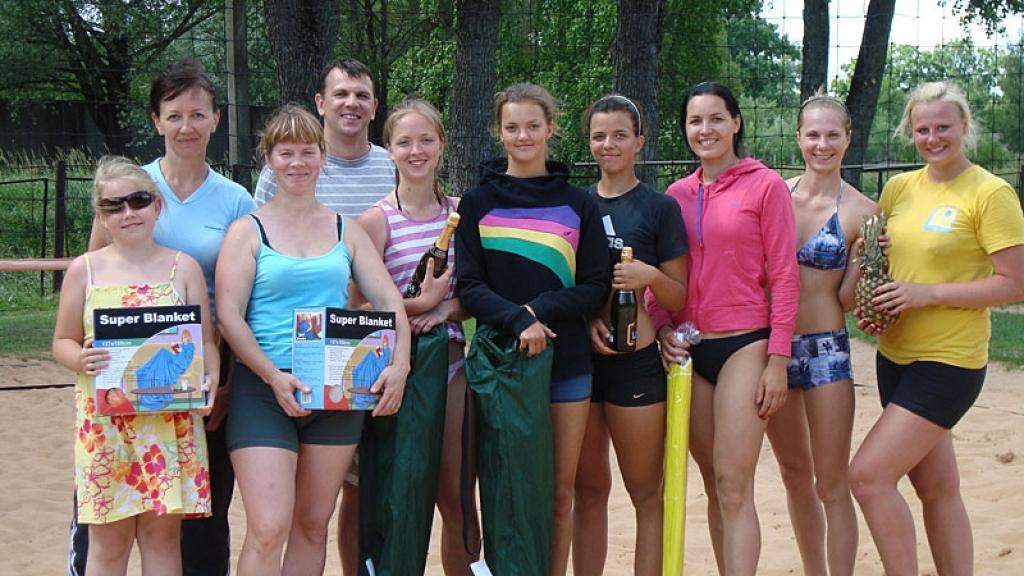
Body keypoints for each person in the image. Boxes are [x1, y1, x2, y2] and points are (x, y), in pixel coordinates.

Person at [75, 58, 255, 576]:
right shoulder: (129, 188)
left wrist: (219, 383)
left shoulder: (235, 200)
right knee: (104, 533)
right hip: (119, 387)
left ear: (216, 120)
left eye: (198, 115)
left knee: (198, 519)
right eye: (174, 115)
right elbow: (92, 279)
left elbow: (235, 300)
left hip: (195, 380)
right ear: (156, 120)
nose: (187, 127)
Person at [215, 104, 410, 575]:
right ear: (269, 159)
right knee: (267, 527)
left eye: (307, 152)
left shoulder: (348, 229)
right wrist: (271, 376)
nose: (297, 162)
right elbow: (229, 315)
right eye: (286, 153)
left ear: (322, 157)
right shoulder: (248, 231)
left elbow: (389, 301)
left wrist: (399, 365)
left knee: (312, 524)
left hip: (335, 391)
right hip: (264, 388)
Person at [850, 81, 1024, 576]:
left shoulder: (991, 193)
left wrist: (928, 294)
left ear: (964, 127)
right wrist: (877, 308)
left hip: (949, 360)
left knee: (867, 476)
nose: (932, 137)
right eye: (923, 129)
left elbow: (1015, 283)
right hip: (895, 355)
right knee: (937, 488)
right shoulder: (900, 188)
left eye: (943, 127)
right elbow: (886, 265)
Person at [456, 83, 610, 576]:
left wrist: (540, 311)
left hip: (565, 367)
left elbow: (594, 285)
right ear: (499, 133)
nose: (522, 135)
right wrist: (520, 319)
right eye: (512, 127)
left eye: (533, 126)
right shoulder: (477, 203)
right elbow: (470, 285)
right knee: (504, 486)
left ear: (550, 130)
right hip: (500, 367)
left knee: (558, 493)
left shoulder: (579, 203)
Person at [649, 81, 799, 575]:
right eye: (696, 121)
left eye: (717, 118)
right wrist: (660, 326)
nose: (706, 129)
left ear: (736, 123)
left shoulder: (766, 185)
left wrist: (778, 360)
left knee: (735, 483)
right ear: (685, 130)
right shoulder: (675, 195)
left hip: (744, 344)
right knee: (714, 482)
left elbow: (784, 275)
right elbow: (660, 278)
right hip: (689, 348)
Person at [54, 155, 219, 575]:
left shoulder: (184, 268)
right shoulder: (84, 270)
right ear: (101, 216)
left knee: (162, 541)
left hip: (169, 424)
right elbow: (61, 341)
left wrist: (211, 378)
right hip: (105, 426)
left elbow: (205, 343)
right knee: (107, 543)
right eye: (115, 205)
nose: (129, 212)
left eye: (139, 200)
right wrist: (80, 358)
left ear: (157, 205)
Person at [354, 98, 481, 574]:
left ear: (442, 145)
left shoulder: (462, 214)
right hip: (393, 373)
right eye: (404, 141)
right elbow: (356, 307)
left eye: (426, 140)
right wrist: (419, 306)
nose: (416, 151)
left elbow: (475, 293)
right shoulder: (375, 221)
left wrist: (446, 306)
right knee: (396, 495)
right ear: (389, 149)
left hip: (449, 366)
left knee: (456, 496)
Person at [570, 95, 688, 576]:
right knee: (589, 490)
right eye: (599, 135)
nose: (609, 144)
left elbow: (679, 297)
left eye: (620, 134)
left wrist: (650, 277)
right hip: (581, 362)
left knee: (645, 493)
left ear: (640, 141)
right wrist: (584, 319)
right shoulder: (576, 204)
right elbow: (564, 283)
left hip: (635, 364)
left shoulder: (660, 208)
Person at [762, 93, 878, 576]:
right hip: (774, 351)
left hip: (826, 349)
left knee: (832, 483)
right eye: (813, 134)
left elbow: (850, 301)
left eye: (833, 135)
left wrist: (862, 259)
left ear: (848, 139)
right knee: (794, 475)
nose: (822, 144)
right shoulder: (773, 195)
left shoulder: (864, 211)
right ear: (798, 138)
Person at [253, 58, 394, 218]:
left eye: (362, 96)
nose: (352, 103)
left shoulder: (394, 168)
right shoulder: (285, 170)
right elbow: (259, 234)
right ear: (320, 103)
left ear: (374, 107)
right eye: (341, 94)